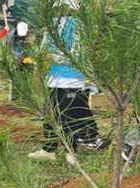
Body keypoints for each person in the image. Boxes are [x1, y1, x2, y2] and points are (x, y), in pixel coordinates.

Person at [28, 15, 103, 162]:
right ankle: (49, 149)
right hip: (53, 78)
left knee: (68, 115)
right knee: (50, 114)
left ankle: (71, 151)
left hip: (73, 78)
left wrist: (52, 56)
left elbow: (77, 55)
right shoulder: (52, 23)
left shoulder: (79, 24)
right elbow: (44, 47)